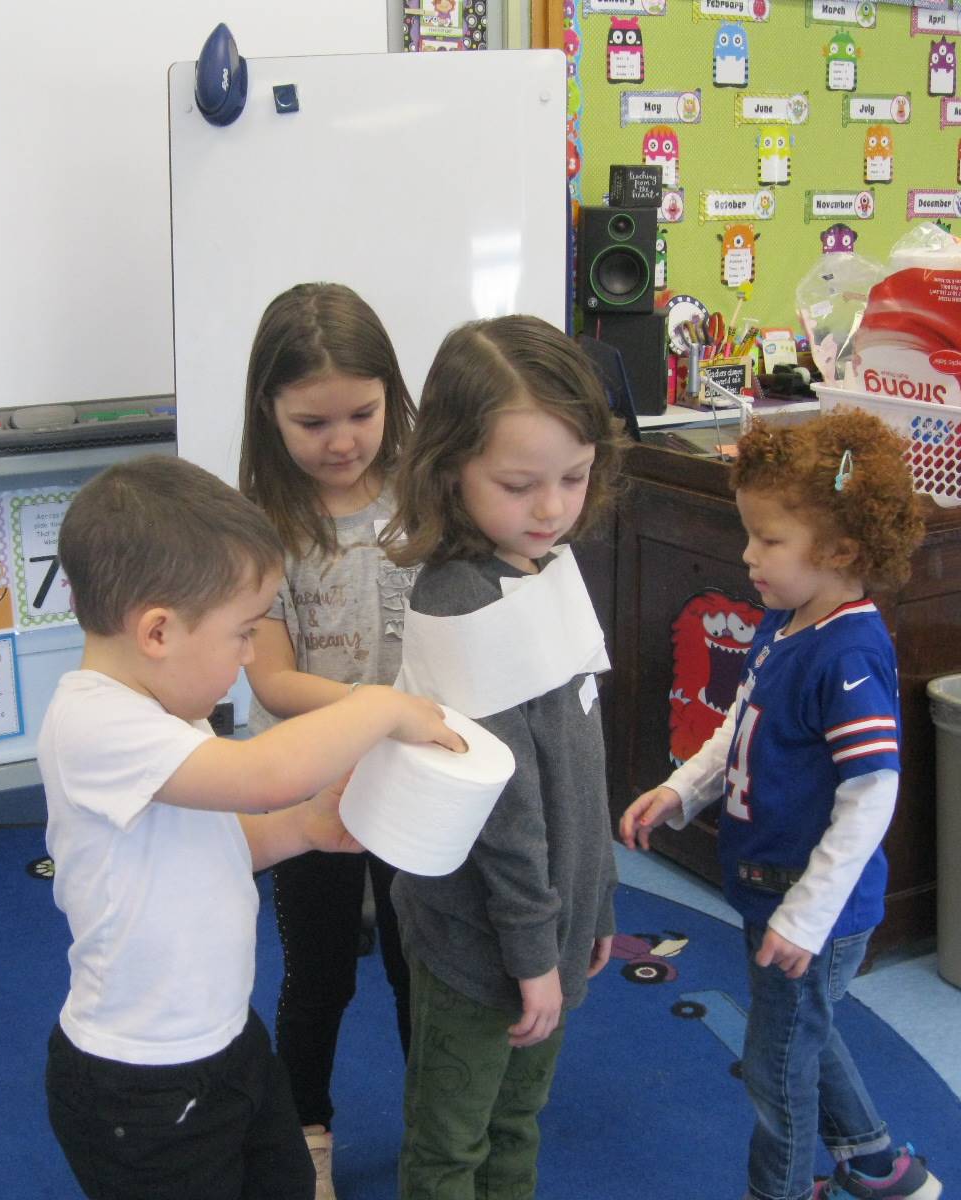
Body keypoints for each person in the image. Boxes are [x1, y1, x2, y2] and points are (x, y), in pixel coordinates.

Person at [39, 455, 464, 1200]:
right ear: (159, 632)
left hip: (226, 1042)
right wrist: (381, 706)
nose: (247, 658)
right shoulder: (94, 724)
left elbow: (211, 842)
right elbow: (264, 774)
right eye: (241, 635)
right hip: (141, 1084)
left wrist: (303, 828)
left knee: (285, 1182)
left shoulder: (165, 711)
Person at [619, 409, 939, 1200]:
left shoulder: (852, 653)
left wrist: (805, 915)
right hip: (768, 888)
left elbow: (872, 795)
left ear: (840, 552)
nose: (747, 555)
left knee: (775, 1068)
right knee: (803, 1032)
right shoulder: (787, 621)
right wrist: (680, 789)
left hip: (811, 908)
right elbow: (740, 724)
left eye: (768, 540)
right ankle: (874, 1161)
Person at [383, 315, 625, 1199]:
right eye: (520, 484)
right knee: (455, 1143)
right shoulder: (459, 598)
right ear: (451, 469)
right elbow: (505, 810)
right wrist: (533, 955)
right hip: (483, 943)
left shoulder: (542, 564)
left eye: (574, 476)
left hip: (550, 924)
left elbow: (582, 758)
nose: (554, 507)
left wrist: (596, 899)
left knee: (518, 1121)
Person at [238, 282, 419, 1200]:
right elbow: (269, 679)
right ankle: (307, 1134)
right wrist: (377, 711)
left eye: (363, 413)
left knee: (416, 962)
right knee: (318, 978)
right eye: (313, 422)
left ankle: (438, 1132)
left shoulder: (422, 500)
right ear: (268, 414)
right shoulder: (262, 527)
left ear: (393, 395)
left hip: (415, 777)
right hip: (308, 786)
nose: (343, 440)